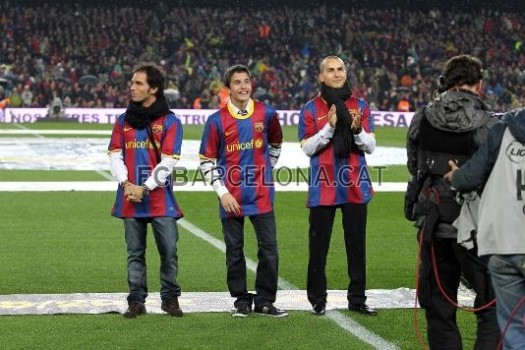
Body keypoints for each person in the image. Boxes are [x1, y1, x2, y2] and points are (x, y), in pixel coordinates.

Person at [406, 54, 500, 349]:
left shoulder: (423, 117)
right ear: (478, 84)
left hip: (434, 225)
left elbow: (414, 166)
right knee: (493, 308)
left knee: (439, 309)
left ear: (445, 82)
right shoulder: (488, 123)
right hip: (477, 230)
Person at [198, 64, 287, 318]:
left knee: (269, 249)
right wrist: (222, 193)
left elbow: (277, 143)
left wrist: (266, 170)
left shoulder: (266, 113)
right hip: (231, 197)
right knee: (234, 251)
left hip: (261, 195)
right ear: (228, 89)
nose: (243, 86)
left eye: (246, 81)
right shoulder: (216, 120)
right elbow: (206, 161)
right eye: (237, 82)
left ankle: (265, 300)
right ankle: (241, 300)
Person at [298, 55, 377, 316]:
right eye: (330, 70)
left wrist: (356, 132)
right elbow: (308, 148)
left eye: (340, 69)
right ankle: (317, 299)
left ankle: (357, 299)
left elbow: (371, 146)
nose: (336, 74)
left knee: (357, 246)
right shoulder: (310, 109)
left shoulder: (361, 105)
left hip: (355, 184)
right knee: (318, 247)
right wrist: (330, 129)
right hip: (324, 185)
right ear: (321, 77)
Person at [444, 108, 525, 349]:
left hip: (504, 242)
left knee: (513, 329)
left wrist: (457, 175)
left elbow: (468, 178)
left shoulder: (503, 129)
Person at [108, 62, 184, 319]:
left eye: (138, 83)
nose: (132, 87)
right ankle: (136, 300)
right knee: (135, 253)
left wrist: (145, 187)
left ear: (153, 88)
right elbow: (115, 155)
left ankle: (169, 298)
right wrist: (127, 184)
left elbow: (169, 161)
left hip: (158, 197)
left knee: (169, 251)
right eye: (132, 83)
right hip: (130, 195)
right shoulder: (123, 120)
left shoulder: (170, 121)